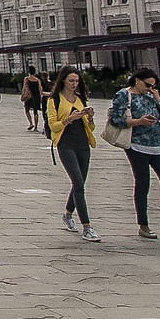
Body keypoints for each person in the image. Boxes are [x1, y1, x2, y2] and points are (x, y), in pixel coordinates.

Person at [113, 71, 160, 241]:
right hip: (137, 144)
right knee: (143, 182)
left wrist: (159, 99)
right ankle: (143, 225)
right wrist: (139, 121)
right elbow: (115, 120)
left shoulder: (152, 96)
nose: (150, 88)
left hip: (157, 144)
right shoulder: (124, 95)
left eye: (153, 85)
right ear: (137, 81)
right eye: (147, 85)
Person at [45, 70, 100, 243]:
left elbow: (90, 128)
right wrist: (70, 118)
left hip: (83, 144)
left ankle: (68, 214)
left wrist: (90, 118)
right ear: (63, 81)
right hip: (65, 143)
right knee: (77, 182)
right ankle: (87, 226)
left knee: (80, 183)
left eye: (76, 81)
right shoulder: (54, 100)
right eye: (71, 80)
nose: (74, 84)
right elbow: (53, 126)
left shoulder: (80, 99)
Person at [22, 68, 45, 133]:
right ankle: (36, 127)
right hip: (36, 97)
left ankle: (31, 123)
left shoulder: (26, 79)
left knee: (27, 110)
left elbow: (25, 87)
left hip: (29, 96)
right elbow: (40, 89)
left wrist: (23, 94)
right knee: (35, 112)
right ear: (35, 72)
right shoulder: (37, 80)